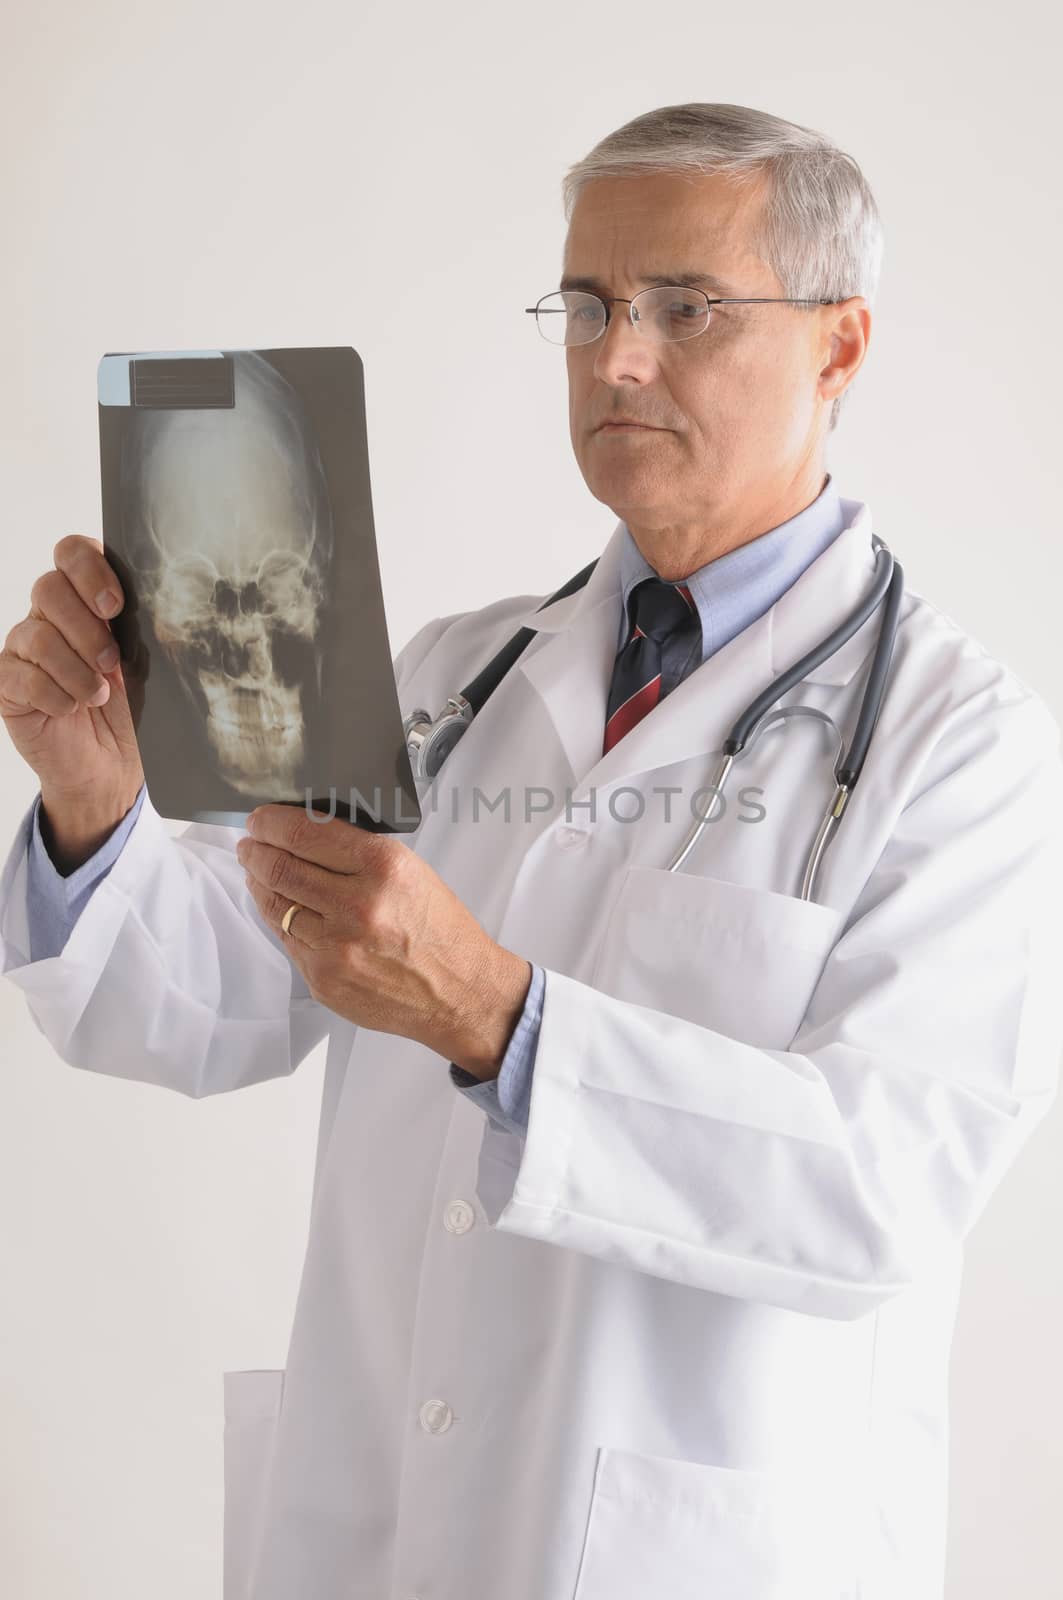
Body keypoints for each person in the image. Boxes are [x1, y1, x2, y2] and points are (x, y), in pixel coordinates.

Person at [2, 101, 1061, 1600]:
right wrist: (95, 810)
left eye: (684, 306)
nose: (617, 357)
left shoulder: (964, 746)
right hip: (371, 1527)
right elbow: (215, 994)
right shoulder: (452, 674)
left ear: (839, 346)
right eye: (586, 305)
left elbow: (873, 1192)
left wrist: (500, 1021)